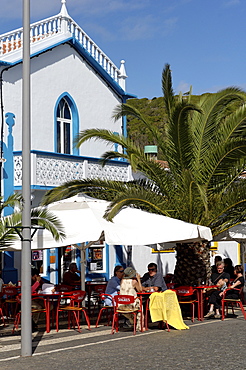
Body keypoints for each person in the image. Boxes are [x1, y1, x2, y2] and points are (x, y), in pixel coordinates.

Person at [119, 267, 144, 331]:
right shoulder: (134, 281)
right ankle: (140, 326)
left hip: (121, 304)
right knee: (141, 306)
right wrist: (138, 280)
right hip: (131, 305)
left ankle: (133, 322)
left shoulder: (122, 281)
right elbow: (140, 290)